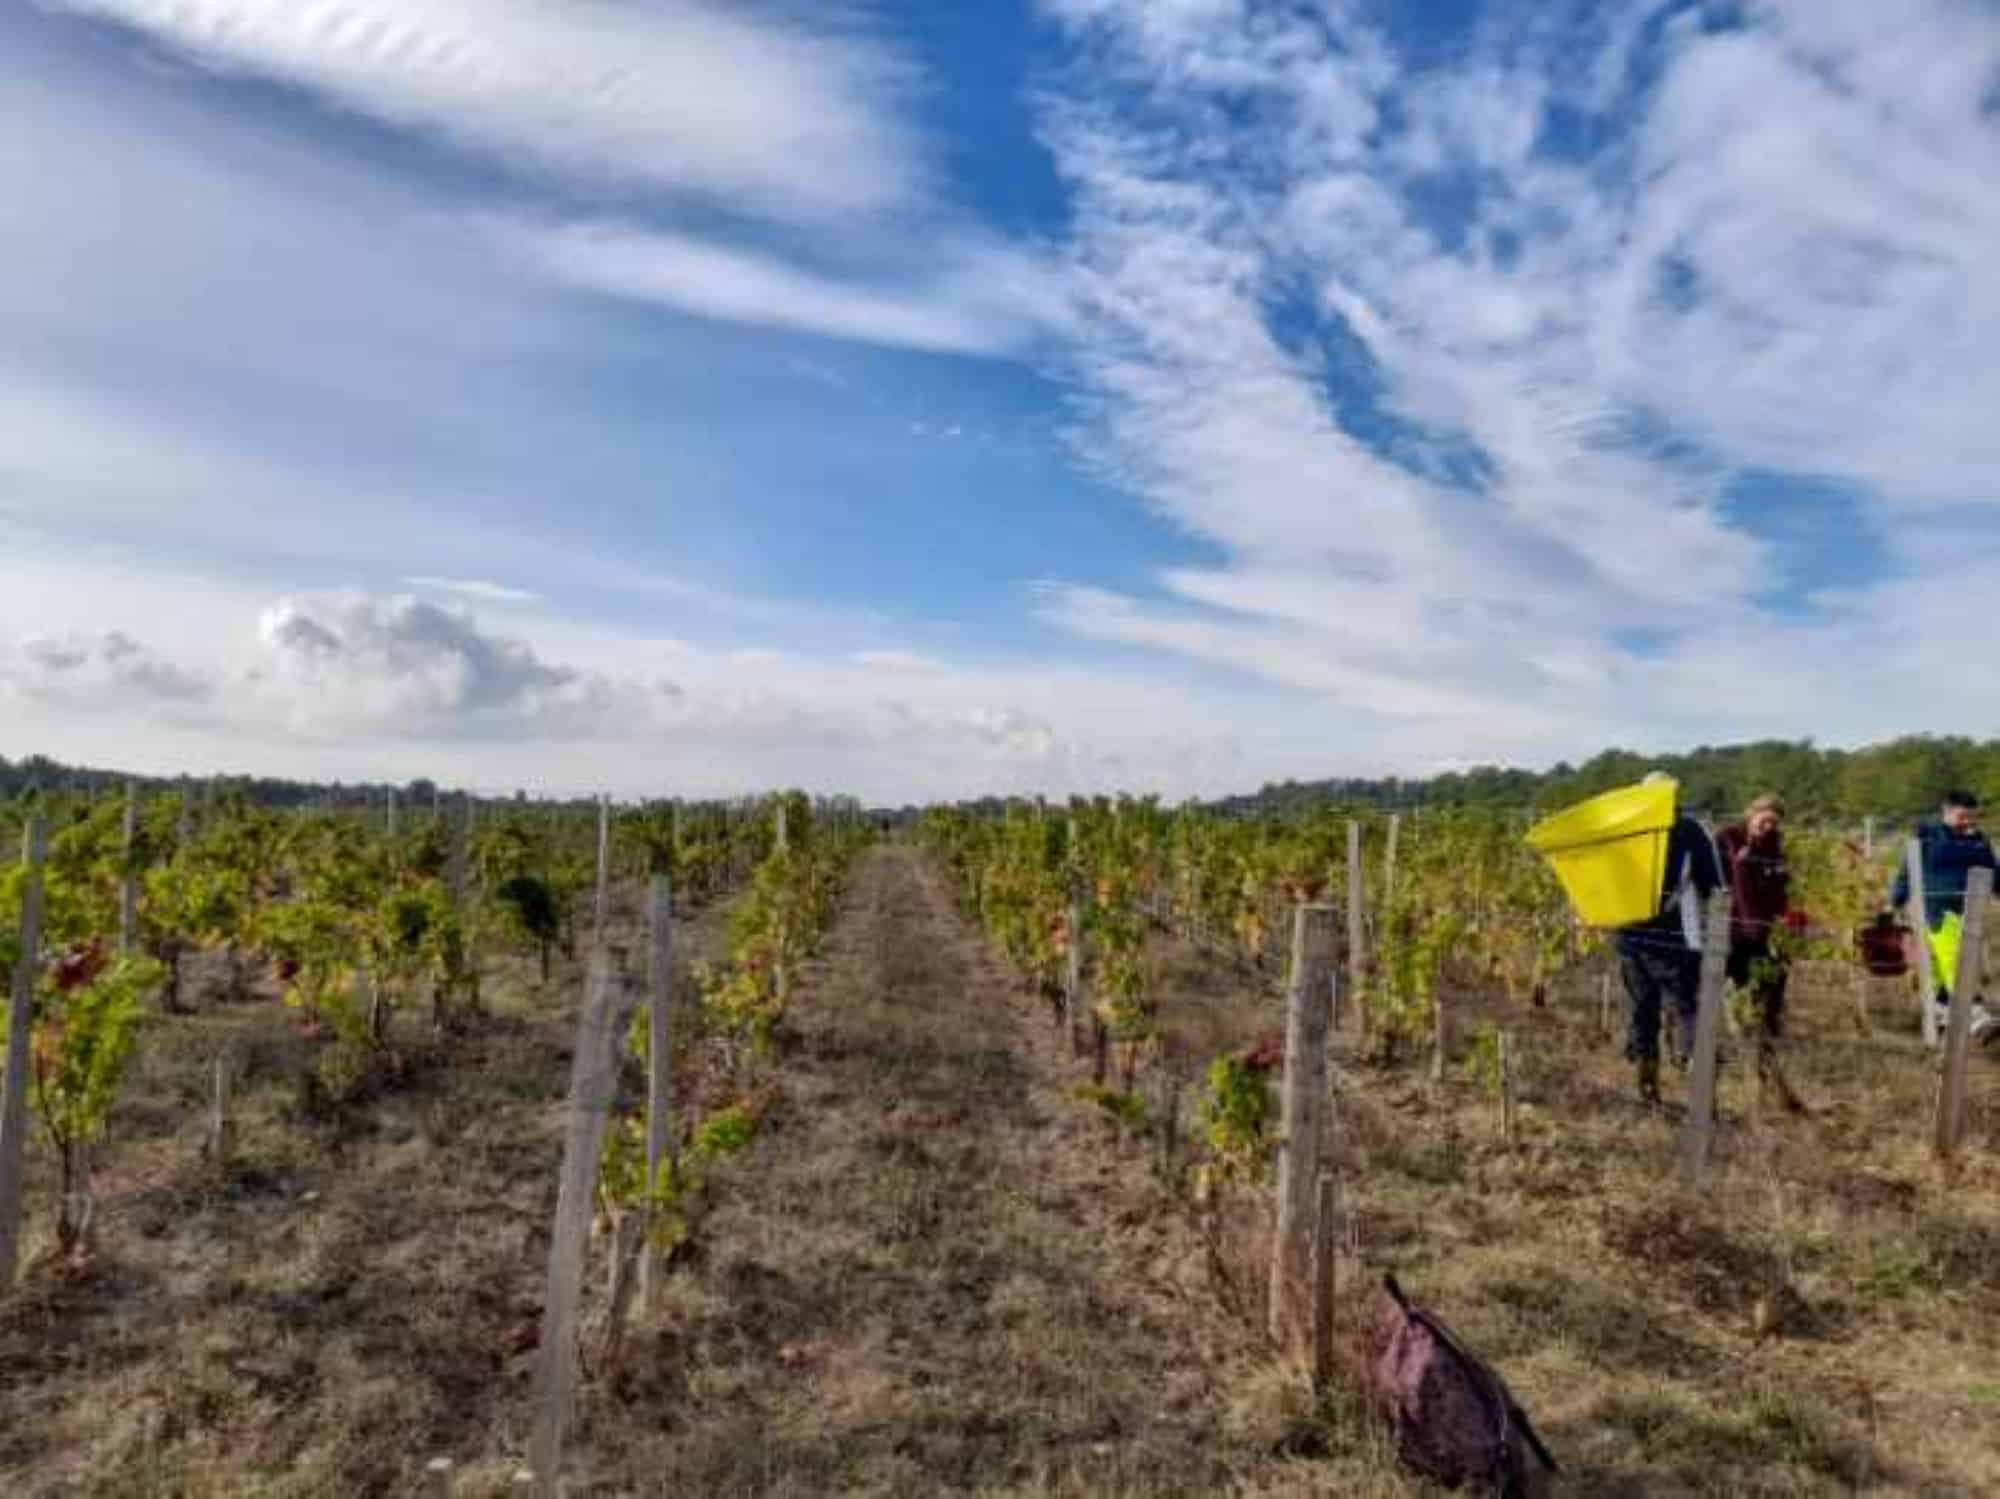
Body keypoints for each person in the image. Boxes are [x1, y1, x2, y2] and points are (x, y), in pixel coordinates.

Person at [1616, 773, 1724, 1105]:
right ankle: (1697, 1084)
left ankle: (1648, 1088)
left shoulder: (1626, 828)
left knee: (1641, 1007)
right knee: (1687, 1006)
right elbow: (1713, 884)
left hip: (1629, 935)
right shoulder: (1690, 831)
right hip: (1678, 937)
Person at [1717, 794, 1806, 1111]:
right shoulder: (1727, 840)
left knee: (1770, 1003)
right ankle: (1745, 1059)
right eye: (1763, 819)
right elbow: (1723, 886)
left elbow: (1784, 890)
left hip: (1771, 937)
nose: (1767, 826)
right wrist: (1741, 864)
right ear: (1750, 814)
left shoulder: (1777, 849)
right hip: (1735, 935)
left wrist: (1790, 922)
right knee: (1738, 1000)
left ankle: (1767, 1063)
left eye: (1773, 822)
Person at [1889, 790, 1999, 1046]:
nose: (1968, 823)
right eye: (1962, 817)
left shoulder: (1978, 839)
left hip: (1970, 908)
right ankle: (1974, 1014)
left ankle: (1940, 1010)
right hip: (1935, 908)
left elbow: (1993, 870)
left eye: (1973, 818)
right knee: (1957, 957)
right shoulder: (1927, 836)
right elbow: (1908, 869)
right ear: (1946, 812)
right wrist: (1895, 901)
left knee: (1939, 965)